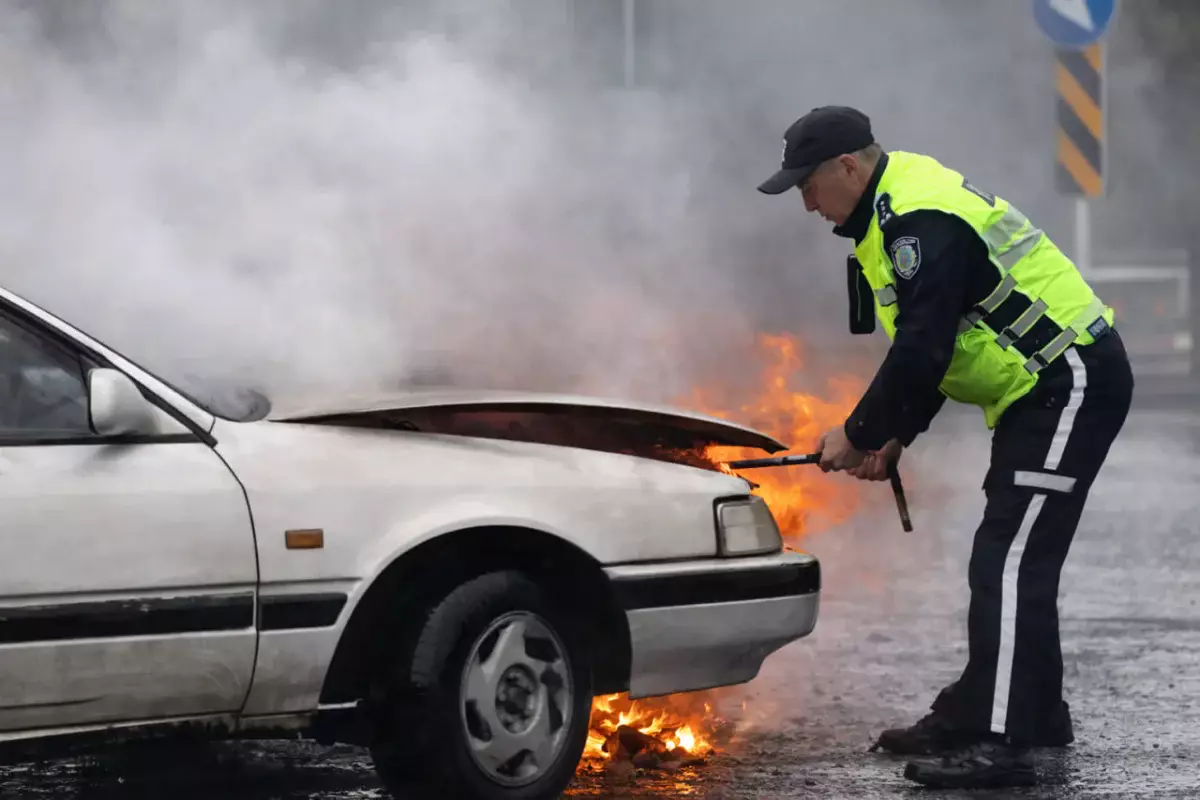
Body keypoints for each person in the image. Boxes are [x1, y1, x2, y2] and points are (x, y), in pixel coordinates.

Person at [757, 106, 1134, 790]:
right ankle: (1032, 712)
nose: (807, 204)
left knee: (1009, 559)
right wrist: (899, 434)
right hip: (1038, 390)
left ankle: (999, 738)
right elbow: (950, 342)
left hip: (1067, 376)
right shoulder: (894, 212)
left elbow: (923, 347)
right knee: (1012, 554)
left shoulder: (918, 218)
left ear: (848, 166)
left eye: (808, 185)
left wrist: (861, 433)